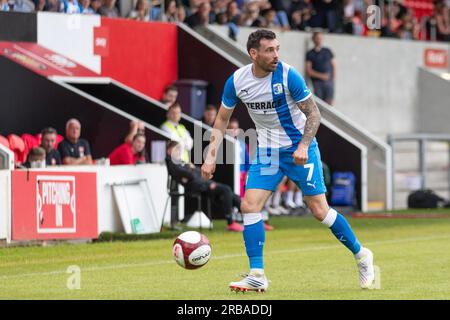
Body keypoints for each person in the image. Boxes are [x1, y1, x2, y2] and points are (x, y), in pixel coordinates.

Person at [201, 29, 374, 292]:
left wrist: (304, 145)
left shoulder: (288, 74)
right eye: (269, 50)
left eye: (277, 49)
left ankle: (362, 255)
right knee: (249, 206)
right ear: (253, 54)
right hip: (268, 151)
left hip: (298, 149)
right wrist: (210, 156)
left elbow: (314, 114)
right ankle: (257, 274)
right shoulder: (237, 81)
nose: (275, 55)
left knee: (319, 211)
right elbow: (222, 119)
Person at [166, 140, 244, 232]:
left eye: (179, 149)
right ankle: (231, 222)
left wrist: (192, 171)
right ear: (169, 151)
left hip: (202, 184)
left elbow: (198, 172)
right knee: (226, 190)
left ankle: (251, 219)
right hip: (196, 188)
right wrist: (193, 172)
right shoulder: (172, 163)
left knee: (231, 195)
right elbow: (190, 175)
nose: (178, 152)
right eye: (176, 149)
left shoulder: (181, 162)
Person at [306, 31, 336, 106]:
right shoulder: (310, 53)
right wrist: (322, 76)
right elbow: (309, 71)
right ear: (313, 39)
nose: (319, 40)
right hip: (317, 83)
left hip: (329, 82)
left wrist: (332, 79)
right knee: (320, 105)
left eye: (320, 38)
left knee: (329, 104)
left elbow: (334, 65)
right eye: (317, 38)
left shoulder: (327, 51)